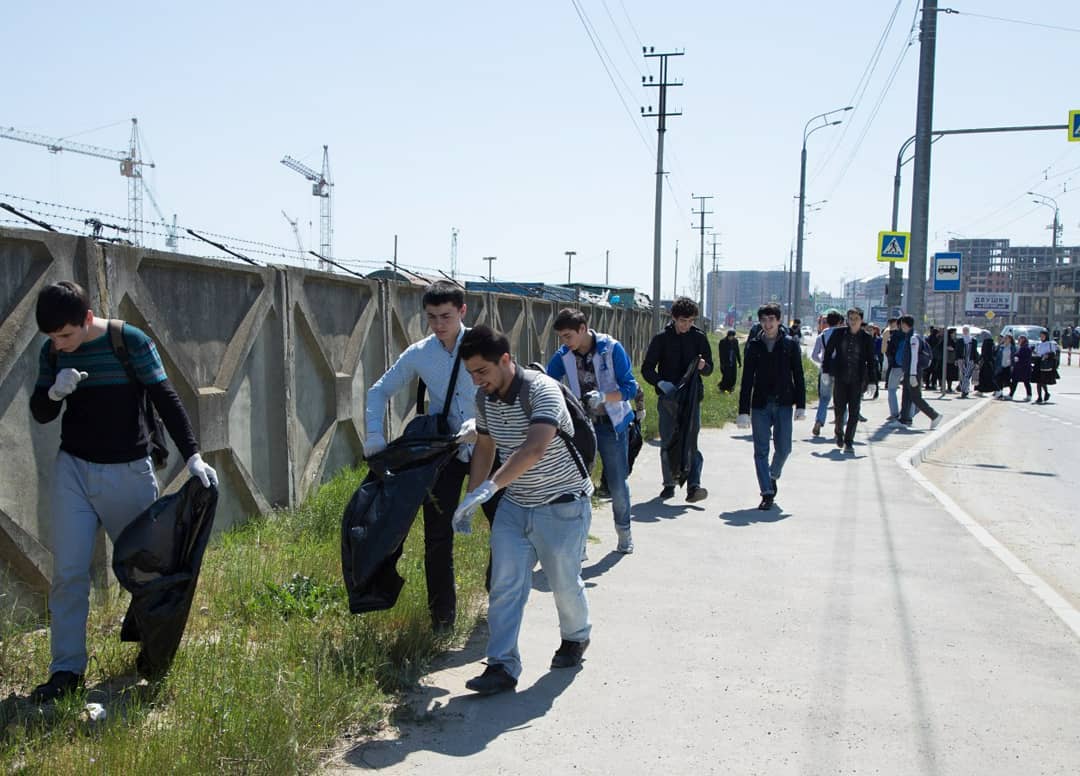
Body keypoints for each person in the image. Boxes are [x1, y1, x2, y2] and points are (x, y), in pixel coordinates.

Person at [28, 281, 218, 703]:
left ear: (88, 319)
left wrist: (192, 457)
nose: (60, 345)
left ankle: (155, 658)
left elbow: (166, 399)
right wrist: (54, 391)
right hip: (73, 470)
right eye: (52, 338)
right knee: (69, 574)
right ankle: (66, 671)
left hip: (127, 473)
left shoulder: (128, 342)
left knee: (147, 571)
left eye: (67, 335)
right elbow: (41, 412)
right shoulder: (53, 353)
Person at [453, 326, 592, 696]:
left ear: (505, 360)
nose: (477, 380)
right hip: (516, 504)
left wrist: (490, 487)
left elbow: (534, 449)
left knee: (563, 584)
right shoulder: (485, 399)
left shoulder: (541, 390)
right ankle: (502, 666)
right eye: (470, 373)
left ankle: (576, 637)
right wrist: (470, 498)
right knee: (505, 584)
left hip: (562, 504)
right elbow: (485, 447)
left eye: (482, 371)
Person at [363, 280, 497, 633]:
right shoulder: (420, 353)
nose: (439, 324)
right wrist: (374, 434)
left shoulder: (483, 346)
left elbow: (507, 392)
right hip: (447, 451)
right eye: (432, 317)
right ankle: (442, 622)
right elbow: (378, 391)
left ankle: (497, 595)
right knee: (437, 537)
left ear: (463, 312)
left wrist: (481, 423)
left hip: (492, 446)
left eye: (446, 316)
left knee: (505, 526)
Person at [546, 308, 638, 554]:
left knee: (617, 483)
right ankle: (580, 541)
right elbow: (546, 382)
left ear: (583, 329)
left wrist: (605, 397)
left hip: (611, 424)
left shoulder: (611, 348)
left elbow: (630, 387)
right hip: (581, 427)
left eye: (568, 336)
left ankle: (624, 532)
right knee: (578, 484)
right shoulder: (564, 355)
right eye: (562, 338)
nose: (565, 342)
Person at [641, 297, 713, 502]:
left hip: (691, 399)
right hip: (668, 399)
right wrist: (660, 383)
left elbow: (710, 369)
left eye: (691, 321)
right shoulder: (661, 339)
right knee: (668, 440)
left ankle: (694, 486)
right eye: (683, 321)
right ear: (673, 318)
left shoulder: (698, 338)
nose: (687, 325)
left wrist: (703, 367)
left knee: (691, 441)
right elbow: (647, 368)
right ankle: (669, 483)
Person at [736, 303, 806, 510]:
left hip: (784, 403)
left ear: (779, 321)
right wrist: (743, 411)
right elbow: (747, 379)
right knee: (761, 451)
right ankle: (767, 492)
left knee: (784, 448)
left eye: (771, 320)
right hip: (760, 405)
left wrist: (801, 404)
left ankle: (772, 474)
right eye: (764, 320)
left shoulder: (790, 345)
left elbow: (799, 376)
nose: (767, 324)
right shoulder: (754, 346)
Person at [823, 307, 876, 454]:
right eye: (850, 319)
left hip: (857, 379)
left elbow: (871, 360)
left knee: (854, 411)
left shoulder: (866, 338)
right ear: (847, 320)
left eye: (856, 319)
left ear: (861, 320)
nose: (853, 322)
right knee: (839, 409)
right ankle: (838, 432)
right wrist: (825, 372)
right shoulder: (839, 333)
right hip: (840, 377)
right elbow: (828, 353)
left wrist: (872, 381)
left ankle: (849, 441)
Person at [894, 315, 944, 430]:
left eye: (901, 324)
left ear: (904, 324)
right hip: (910, 372)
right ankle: (904, 420)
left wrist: (912, 375)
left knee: (916, 397)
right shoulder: (911, 337)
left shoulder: (913, 338)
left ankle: (934, 415)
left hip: (914, 372)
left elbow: (914, 358)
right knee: (906, 396)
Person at [810, 310, 844, 437]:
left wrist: (823, 361)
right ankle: (839, 428)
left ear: (827, 322)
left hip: (825, 370)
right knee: (840, 399)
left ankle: (819, 421)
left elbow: (814, 355)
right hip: (840, 371)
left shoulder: (822, 336)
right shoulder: (843, 335)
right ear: (840, 322)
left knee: (824, 399)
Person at [882, 318, 903, 420]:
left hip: (896, 365)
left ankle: (894, 413)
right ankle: (910, 412)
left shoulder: (893, 335)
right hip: (908, 367)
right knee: (909, 391)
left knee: (891, 390)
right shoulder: (911, 335)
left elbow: (887, 349)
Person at [1033, 330, 1060, 404]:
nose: (1041, 337)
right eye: (1041, 336)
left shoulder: (1050, 344)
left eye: (1043, 336)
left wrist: (1047, 355)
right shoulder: (1038, 344)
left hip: (1046, 363)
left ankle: (1046, 393)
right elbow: (1036, 353)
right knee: (1038, 381)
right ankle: (1040, 397)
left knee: (1042, 381)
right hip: (1039, 363)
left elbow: (1054, 353)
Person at [956, 326, 979, 398]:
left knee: (967, 375)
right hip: (961, 360)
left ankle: (964, 391)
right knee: (963, 375)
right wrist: (956, 359)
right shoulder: (960, 340)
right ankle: (966, 389)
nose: (965, 332)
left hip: (970, 360)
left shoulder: (973, 340)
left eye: (966, 330)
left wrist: (976, 362)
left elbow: (975, 351)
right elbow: (957, 351)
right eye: (964, 330)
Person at [1011, 335, 1033, 401]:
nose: (1019, 340)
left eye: (1021, 339)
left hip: (1024, 368)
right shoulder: (1020, 347)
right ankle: (1011, 394)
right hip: (1019, 367)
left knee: (1026, 382)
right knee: (1015, 381)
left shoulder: (1026, 348)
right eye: (1019, 339)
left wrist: (1018, 358)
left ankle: (1029, 395)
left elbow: (1025, 358)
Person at [994, 334, 1016, 400]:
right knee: (998, 380)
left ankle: (1011, 394)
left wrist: (1013, 365)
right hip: (1001, 366)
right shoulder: (1001, 346)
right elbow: (995, 353)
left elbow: (1014, 356)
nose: (1005, 339)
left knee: (1007, 381)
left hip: (1008, 366)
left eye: (1007, 338)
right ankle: (1000, 393)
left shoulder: (1012, 347)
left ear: (1010, 339)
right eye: (1004, 338)